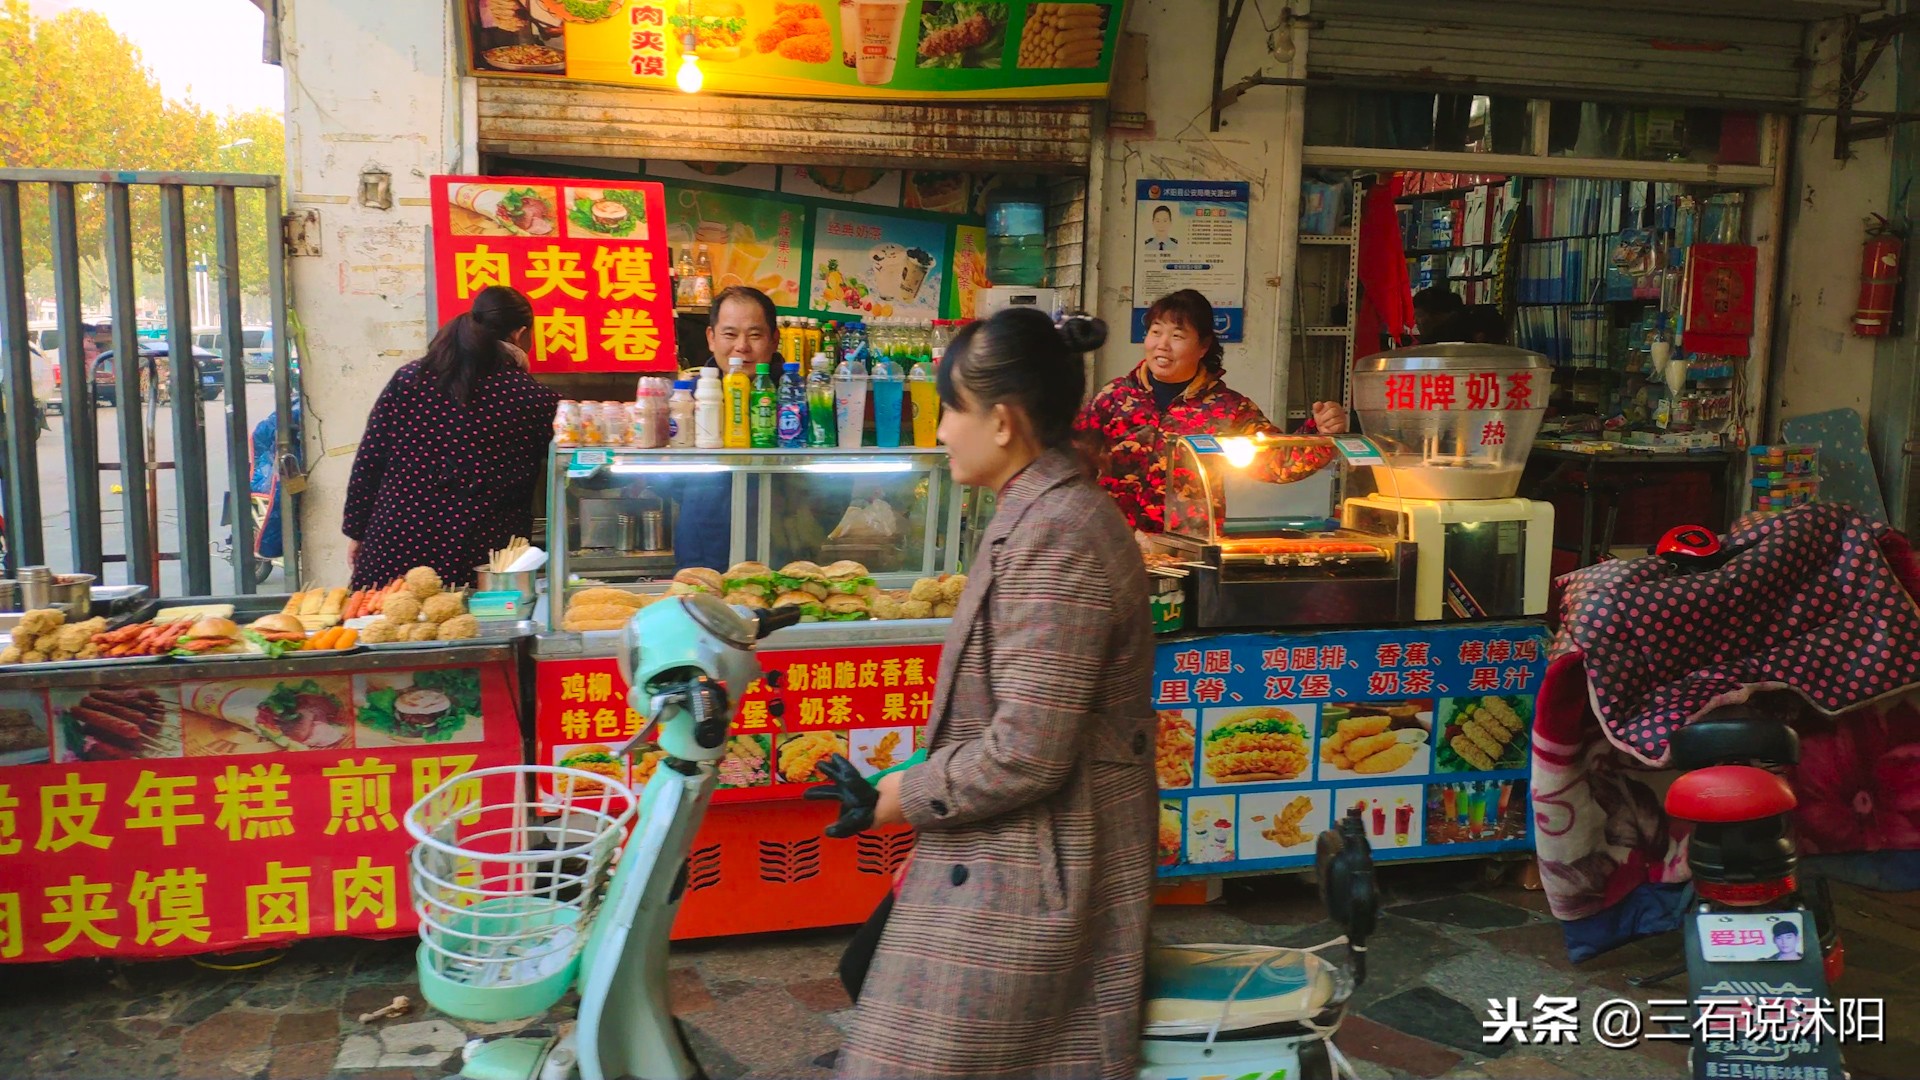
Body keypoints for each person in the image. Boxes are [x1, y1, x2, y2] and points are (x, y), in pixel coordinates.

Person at [833, 309, 1157, 1079]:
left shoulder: (1059, 533)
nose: (942, 430)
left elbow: (1027, 753)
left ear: (1004, 422)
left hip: (1039, 865)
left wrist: (899, 798)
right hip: (1016, 848)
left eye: (952, 408)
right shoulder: (1040, 508)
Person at [1075, 288, 1348, 535]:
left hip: (1186, 547)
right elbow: (1074, 458)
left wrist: (1320, 432)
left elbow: (1278, 460)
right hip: (1113, 543)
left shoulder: (1227, 408)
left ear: (1203, 346)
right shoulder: (1114, 397)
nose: (1162, 344)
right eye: (1156, 332)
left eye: (1177, 335)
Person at [343, 285, 560, 590]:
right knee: (474, 633)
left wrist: (357, 532)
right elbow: (564, 471)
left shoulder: (409, 379)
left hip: (394, 544)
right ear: (521, 334)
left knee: (386, 629)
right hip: (480, 557)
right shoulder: (533, 398)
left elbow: (370, 460)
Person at [667, 285, 779, 574]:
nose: (742, 346)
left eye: (755, 334)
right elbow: (666, 480)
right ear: (711, 338)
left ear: (773, 340)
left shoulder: (799, 400)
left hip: (784, 557)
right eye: (730, 334)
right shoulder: (686, 400)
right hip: (703, 559)